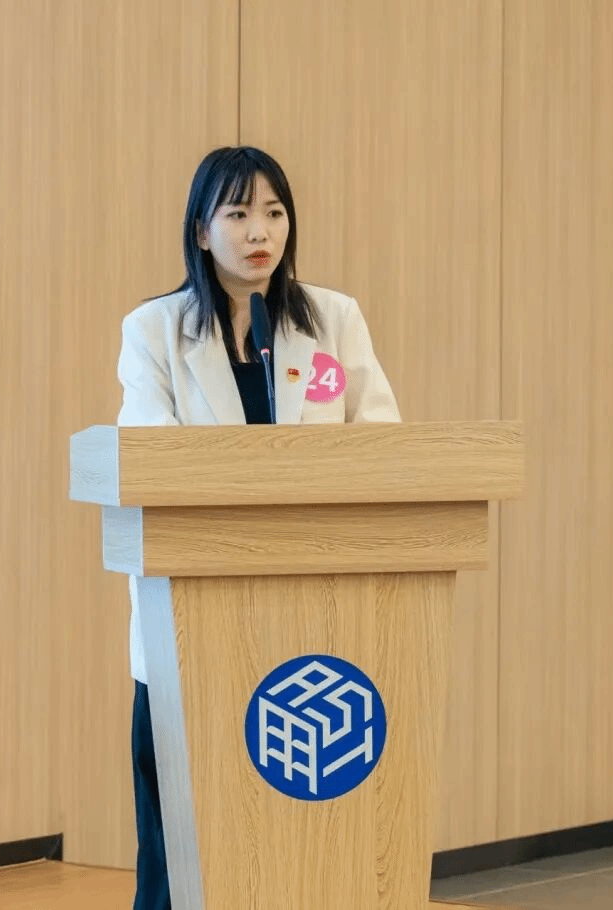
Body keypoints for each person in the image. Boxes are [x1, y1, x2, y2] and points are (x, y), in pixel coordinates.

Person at [115, 145, 400, 909]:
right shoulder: (154, 331)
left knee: (296, 826)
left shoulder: (332, 320)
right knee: (184, 836)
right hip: (194, 615)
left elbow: (380, 442)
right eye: (238, 213)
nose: (258, 232)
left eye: (274, 213)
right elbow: (148, 456)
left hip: (313, 615)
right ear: (201, 231)